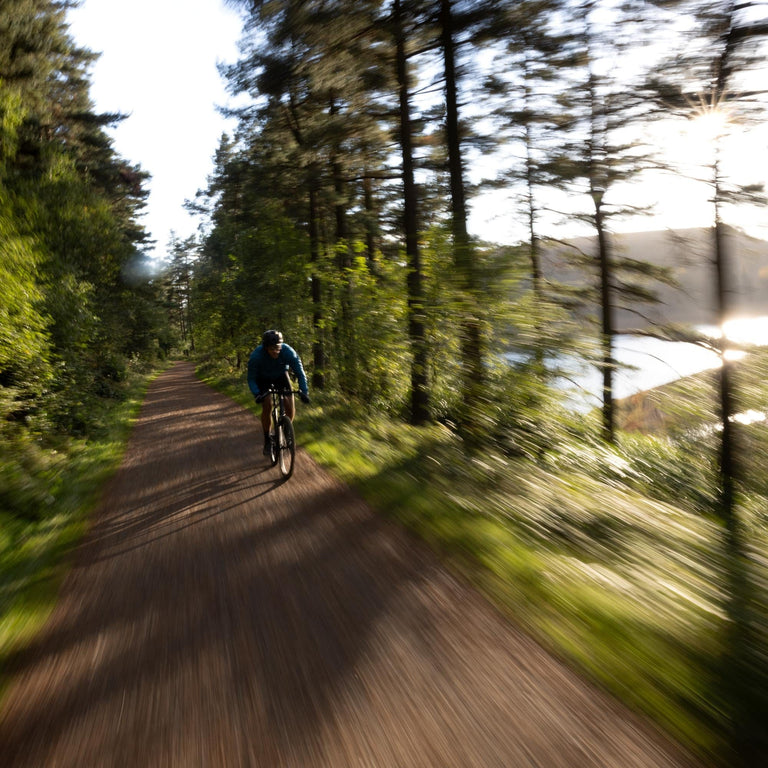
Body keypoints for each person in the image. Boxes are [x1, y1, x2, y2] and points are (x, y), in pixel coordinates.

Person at [247, 330, 310, 455]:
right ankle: (267, 440)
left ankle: (286, 431)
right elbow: (251, 378)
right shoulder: (256, 356)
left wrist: (304, 391)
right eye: (272, 349)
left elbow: (300, 372)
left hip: (281, 376)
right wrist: (257, 393)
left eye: (278, 347)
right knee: (267, 404)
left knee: (290, 406)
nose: (276, 351)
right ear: (265, 348)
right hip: (263, 378)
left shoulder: (288, 352)